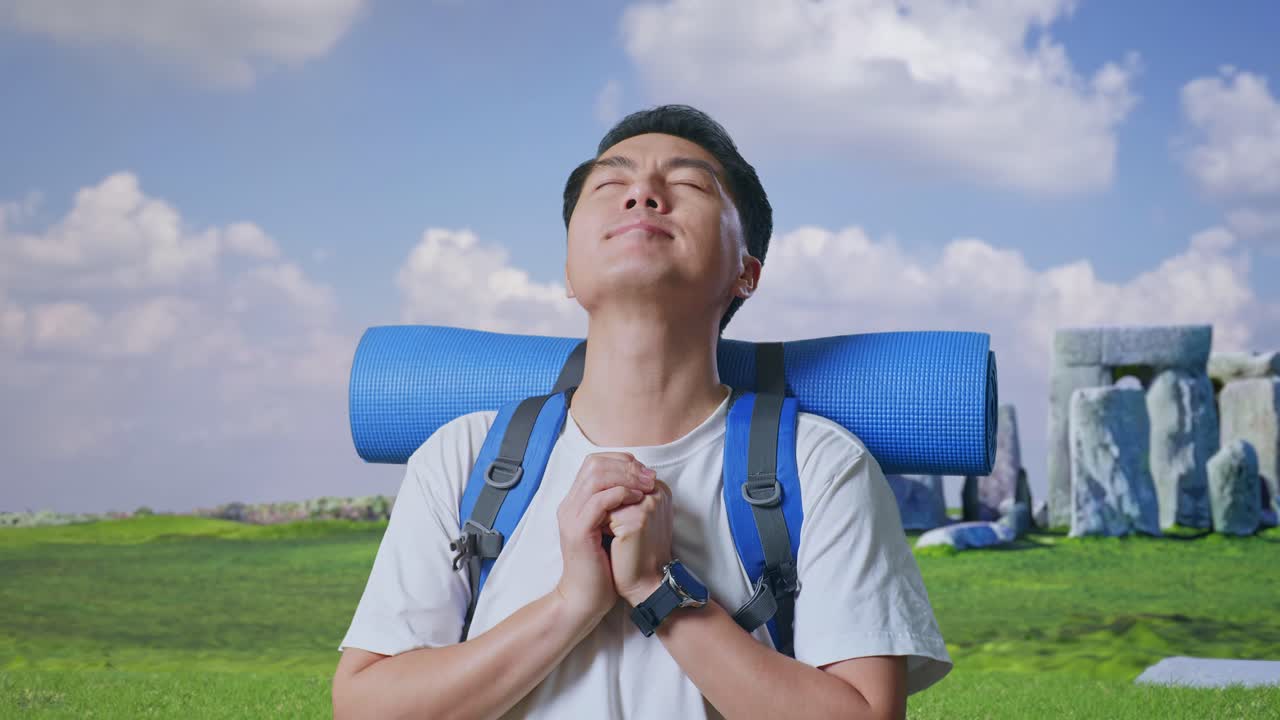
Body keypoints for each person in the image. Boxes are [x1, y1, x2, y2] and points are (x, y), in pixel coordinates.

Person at [332, 104, 951, 719]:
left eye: (687, 184)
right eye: (610, 183)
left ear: (747, 271)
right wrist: (572, 603)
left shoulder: (819, 464)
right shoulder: (466, 455)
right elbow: (365, 708)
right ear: (570, 270)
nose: (642, 195)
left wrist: (661, 591)